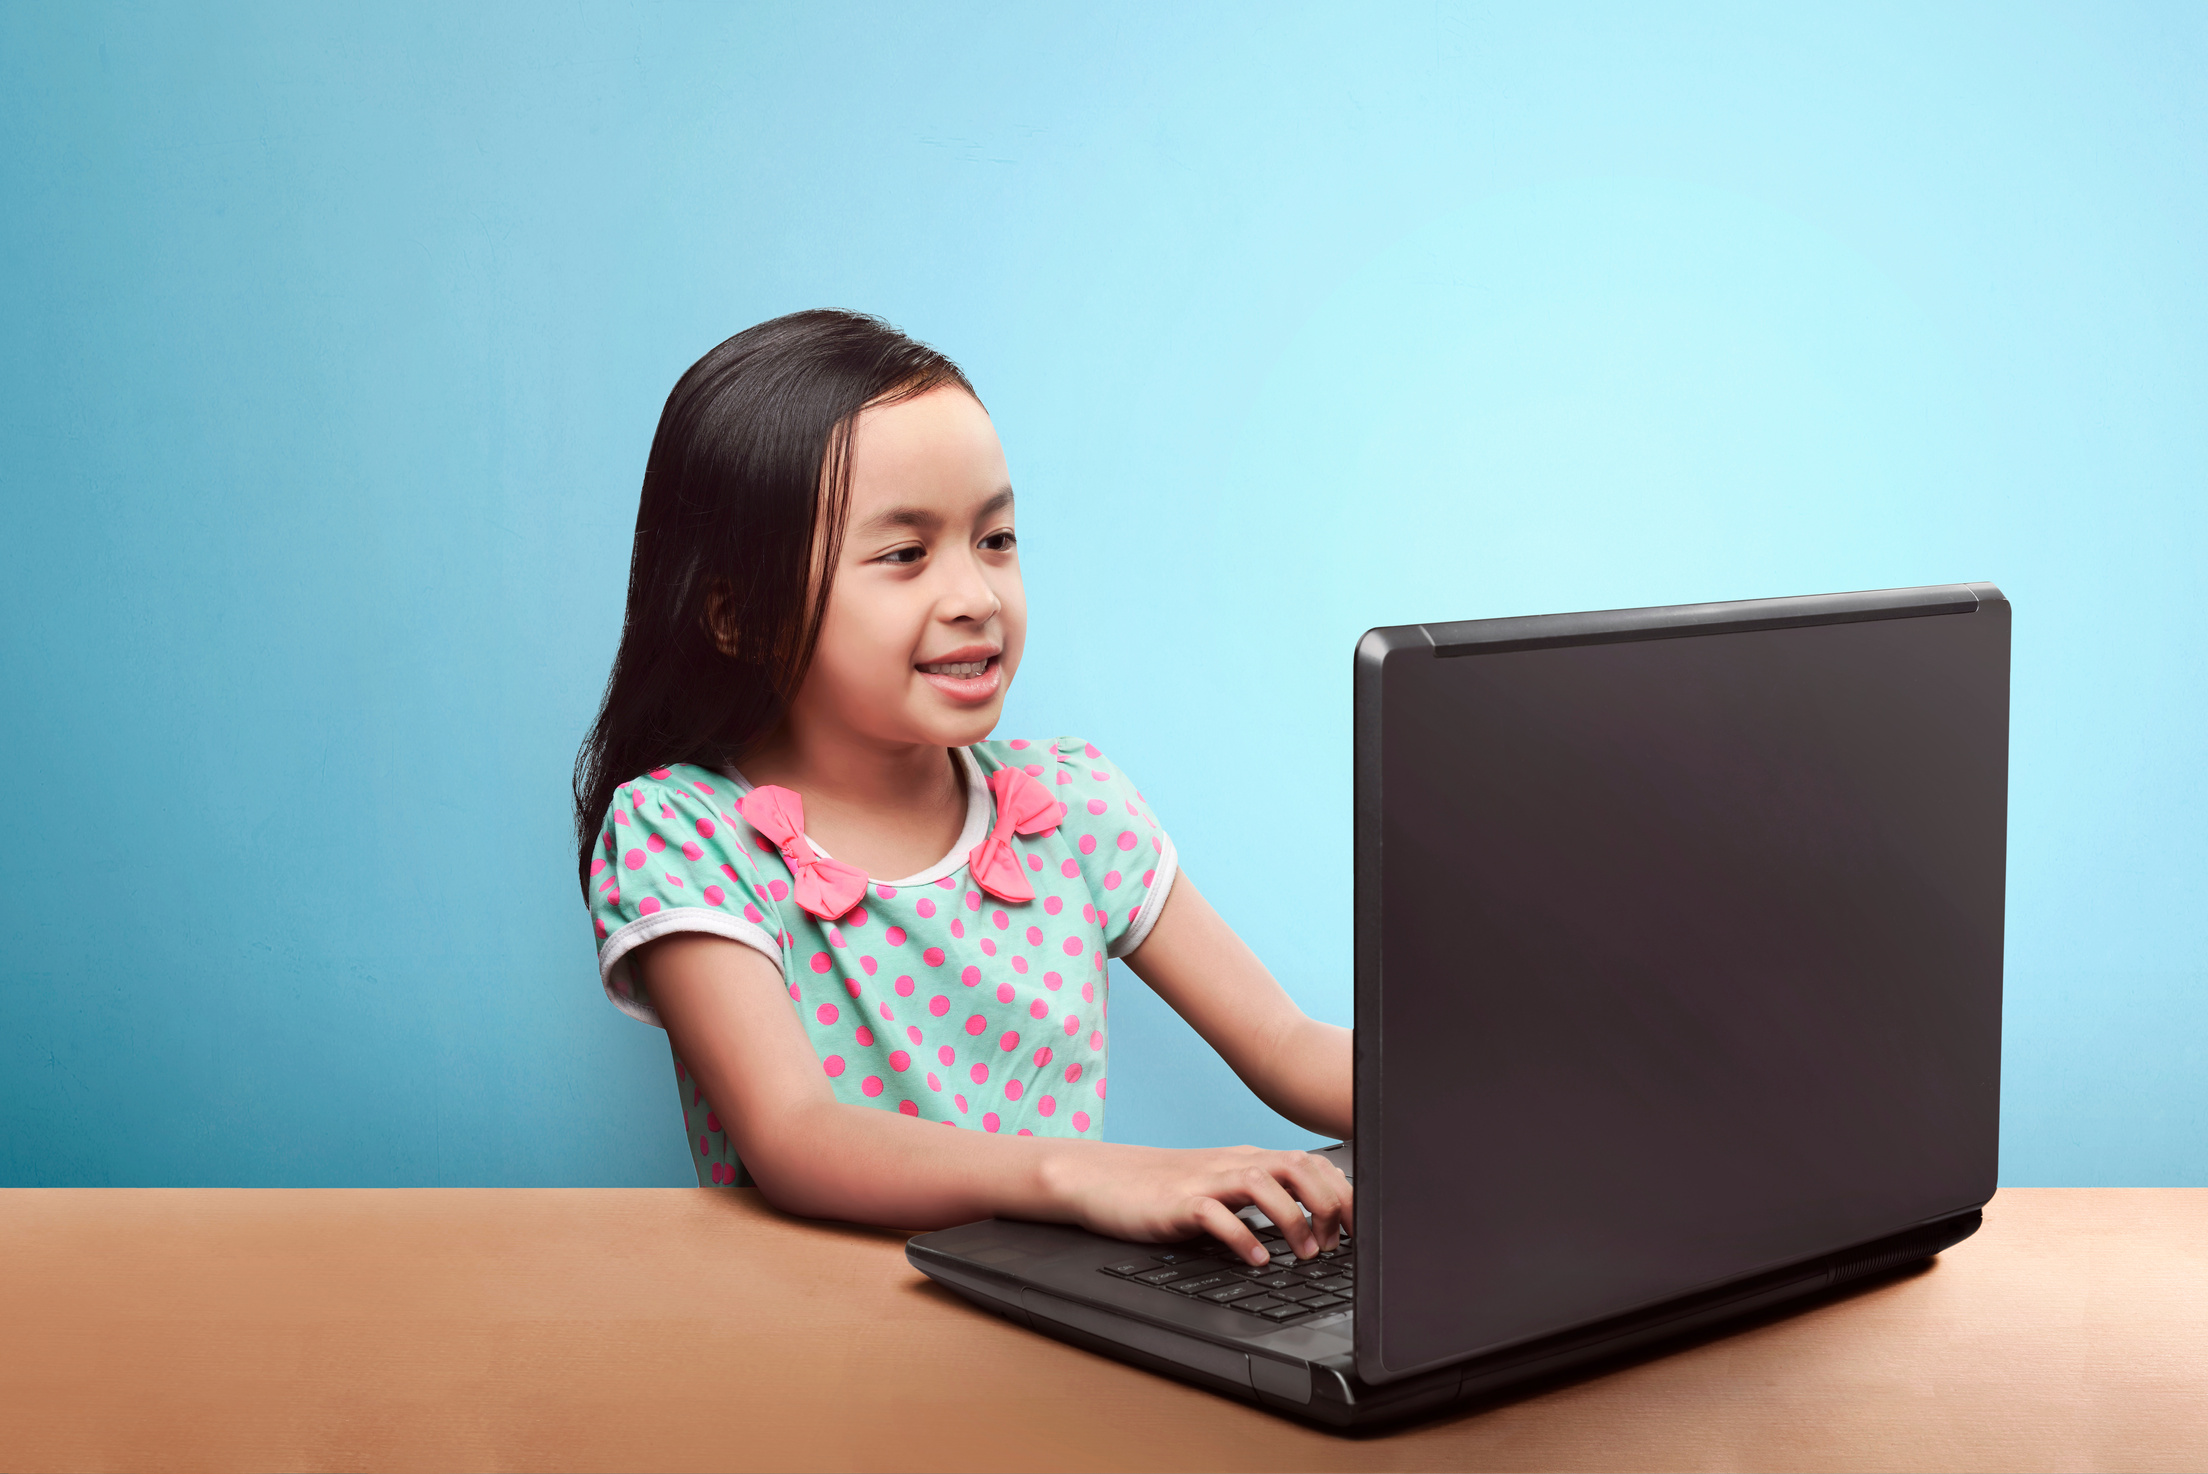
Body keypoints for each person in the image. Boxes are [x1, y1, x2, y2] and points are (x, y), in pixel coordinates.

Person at [574, 310, 1351, 1268]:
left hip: (1055, 1330)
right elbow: (794, 1134)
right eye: (904, 554)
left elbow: (1284, 1042)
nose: (977, 596)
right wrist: (1084, 1174)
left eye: (996, 538)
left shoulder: (1069, 804)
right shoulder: (686, 833)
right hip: (822, 1344)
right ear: (736, 615)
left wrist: (1505, 1097)